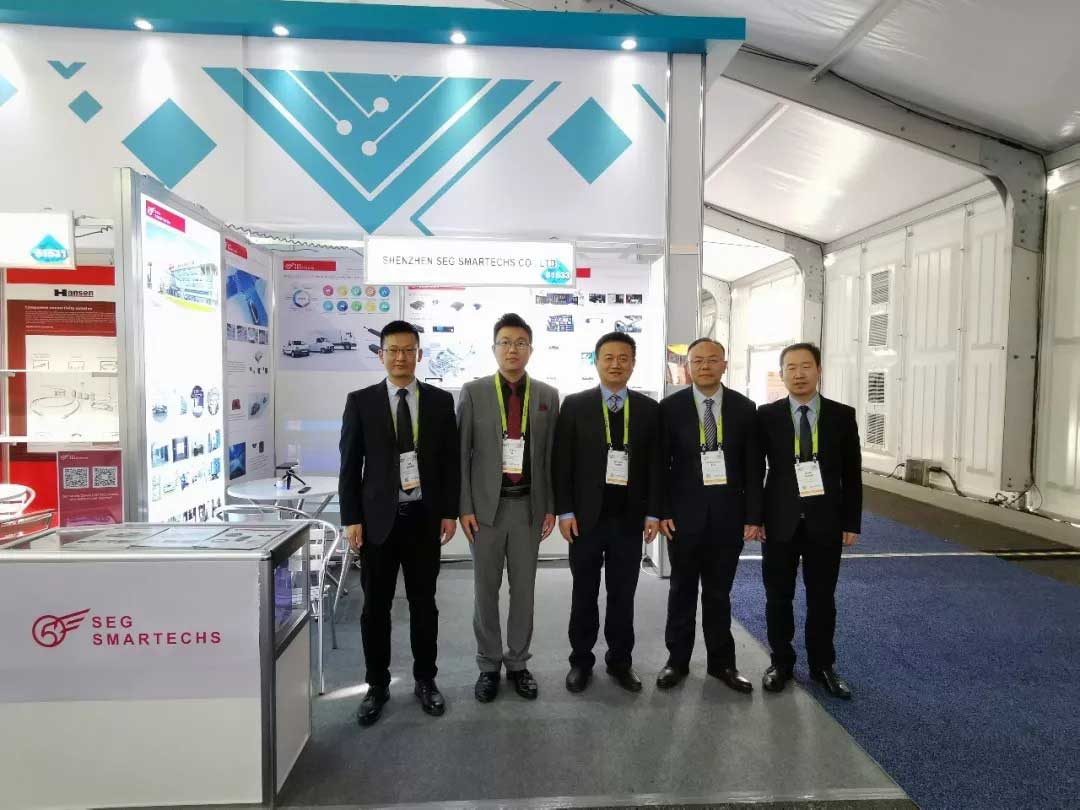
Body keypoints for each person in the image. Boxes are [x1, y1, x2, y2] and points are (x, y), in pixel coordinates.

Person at [338, 320, 460, 727]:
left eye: (408, 350)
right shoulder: (361, 401)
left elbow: (449, 463)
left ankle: (426, 680)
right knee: (376, 607)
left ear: (419, 355)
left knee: (425, 605)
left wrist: (449, 511)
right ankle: (377, 685)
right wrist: (351, 518)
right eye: (393, 350)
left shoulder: (440, 402)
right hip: (377, 523)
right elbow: (349, 465)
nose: (401, 357)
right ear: (381, 355)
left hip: (424, 520)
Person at [458, 313, 559, 702]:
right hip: (486, 511)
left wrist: (550, 506)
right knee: (485, 591)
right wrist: (464, 506)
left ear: (530, 349)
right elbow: (461, 454)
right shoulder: (473, 392)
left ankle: (518, 663)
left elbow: (550, 458)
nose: (512, 349)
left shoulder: (547, 395)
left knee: (524, 591)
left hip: (527, 509)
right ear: (494, 348)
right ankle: (488, 664)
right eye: (505, 342)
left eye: (520, 343)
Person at [553, 332, 661, 694]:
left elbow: (655, 466)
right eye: (609, 358)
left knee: (622, 594)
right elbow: (562, 463)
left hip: (628, 520)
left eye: (623, 358)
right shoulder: (575, 405)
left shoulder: (648, 409)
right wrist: (565, 511)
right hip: (585, 520)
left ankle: (620, 661)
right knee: (583, 592)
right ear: (596, 362)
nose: (616, 364)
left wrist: (653, 513)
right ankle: (580, 661)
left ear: (633, 363)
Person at [656, 338, 763, 693]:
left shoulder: (745, 408)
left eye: (712, 359)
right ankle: (677, 661)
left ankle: (722, 664)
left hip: (728, 518)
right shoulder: (669, 408)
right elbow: (659, 465)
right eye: (697, 360)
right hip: (682, 518)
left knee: (719, 594)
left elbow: (753, 467)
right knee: (681, 591)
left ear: (724, 364)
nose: (705, 366)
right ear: (688, 367)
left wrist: (753, 516)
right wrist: (662, 510)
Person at [756, 342, 861, 699]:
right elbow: (755, 470)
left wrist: (851, 522)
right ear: (782, 373)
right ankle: (781, 663)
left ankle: (823, 666)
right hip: (778, 522)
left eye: (806, 367)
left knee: (822, 598)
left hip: (825, 522)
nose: (798, 374)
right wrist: (755, 518)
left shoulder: (842, 416)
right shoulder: (766, 416)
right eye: (791, 368)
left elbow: (852, 475)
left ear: (819, 370)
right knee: (777, 597)